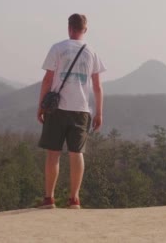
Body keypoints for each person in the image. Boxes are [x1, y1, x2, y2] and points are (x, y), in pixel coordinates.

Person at [36, 13, 106, 209]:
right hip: (82, 110)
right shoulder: (91, 52)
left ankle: (49, 199)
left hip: (57, 109)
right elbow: (98, 86)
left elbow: (48, 80)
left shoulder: (57, 48)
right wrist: (99, 113)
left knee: (53, 154)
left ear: (69, 28)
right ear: (85, 30)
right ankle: (74, 199)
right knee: (77, 153)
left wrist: (41, 106)